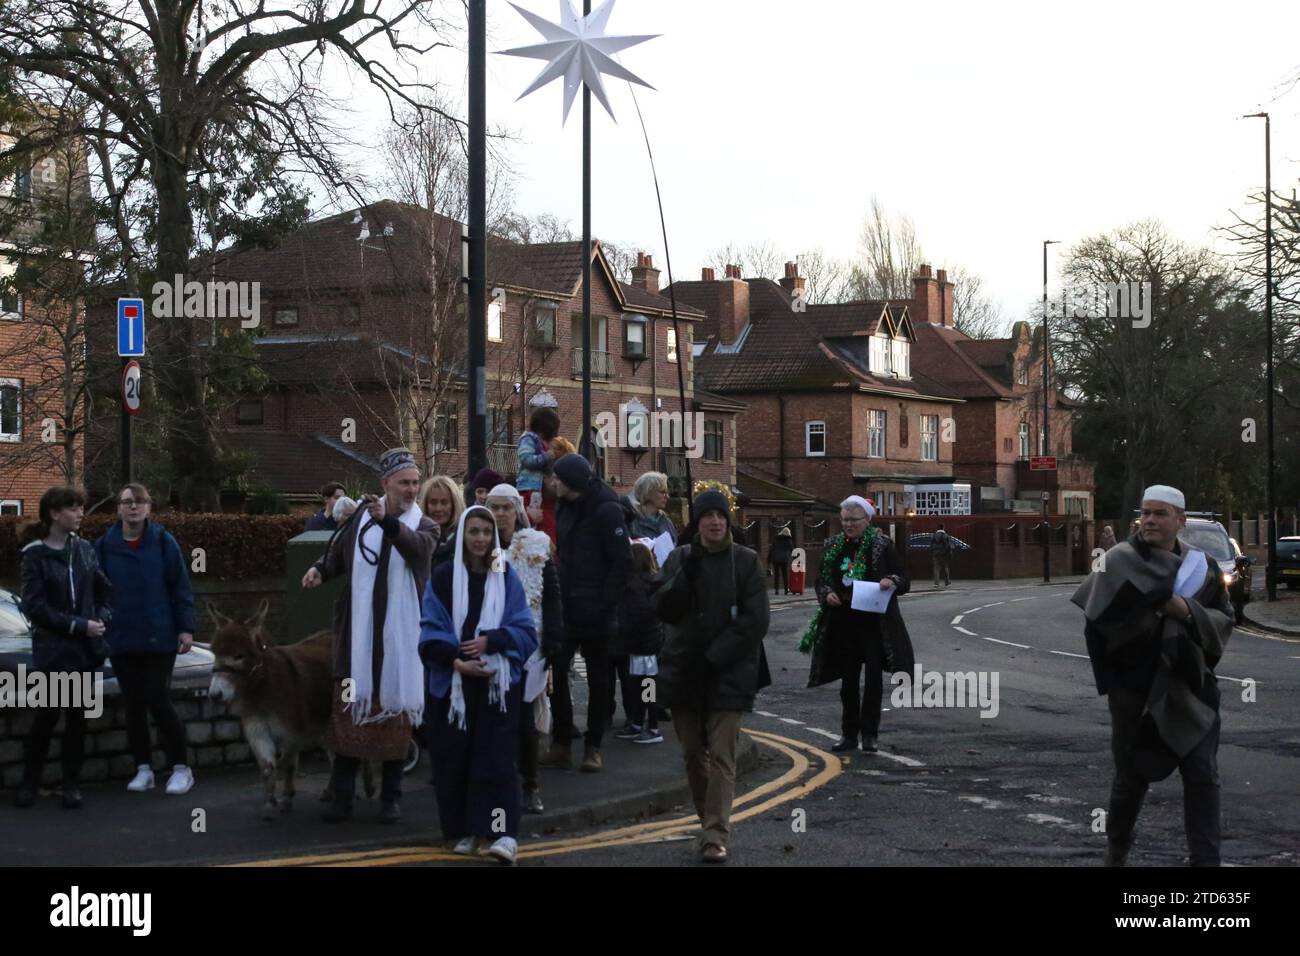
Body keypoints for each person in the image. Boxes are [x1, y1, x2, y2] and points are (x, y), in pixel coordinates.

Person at [1071, 485, 1233, 867]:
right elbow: (1096, 624)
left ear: (1180, 520)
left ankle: (1205, 860)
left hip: (1192, 687)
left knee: (1202, 776)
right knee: (1131, 779)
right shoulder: (1118, 561)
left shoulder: (1202, 567)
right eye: (1145, 513)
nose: (1149, 520)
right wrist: (1118, 674)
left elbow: (1225, 620)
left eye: (1160, 514)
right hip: (1134, 692)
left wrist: (1188, 612)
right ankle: (1117, 850)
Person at [302, 448, 439, 823]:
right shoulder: (361, 518)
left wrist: (388, 524)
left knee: (394, 721)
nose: (412, 490)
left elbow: (418, 551)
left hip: (398, 650)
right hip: (355, 646)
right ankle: (342, 798)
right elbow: (340, 555)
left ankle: (390, 798)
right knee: (346, 716)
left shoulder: (425, 525)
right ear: (385, 484)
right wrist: (320, 570)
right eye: (404, 483)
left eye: (415, 483)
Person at [654, 490, 770, 863]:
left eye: (721, 516)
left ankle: (715, 834)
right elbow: (663, 609)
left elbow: (756, 621)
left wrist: (715, 656)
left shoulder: (747, 562)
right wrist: (682, 579)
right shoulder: (678, 559)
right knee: (692, 755)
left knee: (723, 755)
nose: (715, 522)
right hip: (683, 670)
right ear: (697, 522)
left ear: (728, 521)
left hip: (729, 672)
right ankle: (710, 824)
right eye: (708, 516)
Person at [419, 506, 538, 864]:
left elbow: (526, 631)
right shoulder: (442, 578)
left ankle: (502, 834)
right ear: (463, 535)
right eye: (474, 531)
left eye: (487, 532)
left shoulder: (506, 576)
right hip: (454, 683)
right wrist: (455, 660)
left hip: (496, 686)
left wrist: (492, 641)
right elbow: (429, 630)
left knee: (496, 761)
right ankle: (467, 830)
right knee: (454, 760)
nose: (481, 538)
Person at [94, 483, 197, 796]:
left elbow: (180, 587)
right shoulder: (103, 546)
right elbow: (96, 590)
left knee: (157, 697)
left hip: (159, 637)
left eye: (139, 502)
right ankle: (143, 768)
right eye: (127, 502)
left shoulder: (164, 542)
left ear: (149, 507)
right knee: (134, 705)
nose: (133, 507)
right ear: (119, 508)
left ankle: (181, 767)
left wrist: (186, 627)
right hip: (122, 637)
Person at [14, 486, 112, 810]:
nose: (81, 514)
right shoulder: (34, 555)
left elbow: (104, 592)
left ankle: (72, 784)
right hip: (54, 654)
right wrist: (78, 625)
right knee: (46, 719)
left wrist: (100, 619)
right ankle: (30, 783)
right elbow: (35, 607)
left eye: (81, 508)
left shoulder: (85, 549)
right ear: (54, 514)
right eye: (73, 508)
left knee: (77, 721)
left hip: (83, 653)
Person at [541, 453, 632, 773]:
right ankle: (562, 743)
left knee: (598, 680)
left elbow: (623, 560)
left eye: (557, 478)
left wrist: (607, 602)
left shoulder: (606, 509)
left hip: (596, 609)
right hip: (567, 606)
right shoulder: (566, 505)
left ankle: (593, 747)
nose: (553, 483)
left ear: (572, 483)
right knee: (556, 676)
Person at [804, 495, 913, 754]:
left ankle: (870, 736)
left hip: (874, 624)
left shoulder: (881, 545)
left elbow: (904, 577)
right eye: (844, 520)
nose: (848, 525)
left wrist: (892, 581)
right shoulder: (833, 545)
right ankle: (849, 734)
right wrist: (827, 592)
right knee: (848, 681)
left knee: (873, 679)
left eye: (853, 520)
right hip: (844, 622)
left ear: (867, 520)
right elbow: (822, 578)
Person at [484, 484, 563, 814]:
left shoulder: (536, 546)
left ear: (517, 511)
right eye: (494, 507)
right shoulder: (476, 546)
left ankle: (530, 785)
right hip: (487, 645)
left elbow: (552, 596)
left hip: (528, 646)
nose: (501, 514)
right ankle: (494, 784)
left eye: (506, 507)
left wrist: (554, 641)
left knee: (522, 720)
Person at [614, 542, 665, 744]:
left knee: (645, 685)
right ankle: (639, 722)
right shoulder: (650, 582)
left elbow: (637, 616)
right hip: (647, 643)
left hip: (643, 645)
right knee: (642, 685)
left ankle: (652, 727)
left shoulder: (634, 586)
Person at [518, 407, 560, 536]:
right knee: (535, 523)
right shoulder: (528, 438)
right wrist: (547, 456)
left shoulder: (542, 442)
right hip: (530, 488)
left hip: (541, 489)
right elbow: (526, 459)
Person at [419, 475, 465, 572]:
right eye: (433, 502)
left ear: (454, 504)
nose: (438, 508)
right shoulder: (417, 535)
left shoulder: (464, 536)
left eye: (444, 503)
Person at [769, 527, 794, 595]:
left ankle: (776, 590)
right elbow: (792, 550)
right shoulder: (788, 540)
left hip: (775, 558)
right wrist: (795, 558)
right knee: (785, 575)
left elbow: (771, 550)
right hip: (784, 559)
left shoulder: (776, 539)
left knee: (777, 575)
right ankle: (786, 590)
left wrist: (768, 561)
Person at [932, 523, 952, 589]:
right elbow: (948, 546)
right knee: (945, 567)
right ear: (943, 528)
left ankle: (936, 584)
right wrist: (949, 553)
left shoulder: (934, 535)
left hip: (935, 554)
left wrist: (933, 551)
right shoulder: (945, 535)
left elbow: (931, 545)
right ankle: (947, 582)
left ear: (937, 528)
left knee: (936, 569)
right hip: (944, 554)